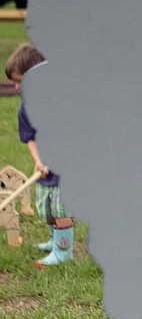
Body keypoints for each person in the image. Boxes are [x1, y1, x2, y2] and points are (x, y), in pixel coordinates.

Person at [6, 43, 74, 267]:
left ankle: (63, 251)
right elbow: (30, 138)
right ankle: (54, 240)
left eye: (20, 81)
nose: (17, 87)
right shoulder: (25, 109)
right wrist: (37, 161)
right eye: (15, 82)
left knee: (61, 207)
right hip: (44, 167)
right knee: (47, 205)